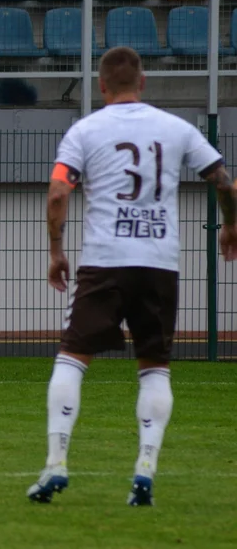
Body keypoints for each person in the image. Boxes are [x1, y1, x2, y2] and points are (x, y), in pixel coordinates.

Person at [29, 47, 237, 506]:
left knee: (72, 358)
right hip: (160, 262)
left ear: (101, 86)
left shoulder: (85, 130)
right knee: (155, 367)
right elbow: (224, 181)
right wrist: (231, 225)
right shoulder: (176, 128)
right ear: (142, 83)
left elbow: (59, 192)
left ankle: (56, 463)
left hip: (104, 260)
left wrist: (56, 252)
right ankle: (145, 468)